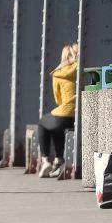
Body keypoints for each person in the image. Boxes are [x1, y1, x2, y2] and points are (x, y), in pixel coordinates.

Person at [37, 43, 78, 178]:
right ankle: (59, 160)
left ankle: (46, 160)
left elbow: (58, 100)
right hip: (82, 115)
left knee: (44, 122)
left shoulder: (58, 74)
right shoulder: (83, 68)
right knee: (54, 124)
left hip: (65, 114)